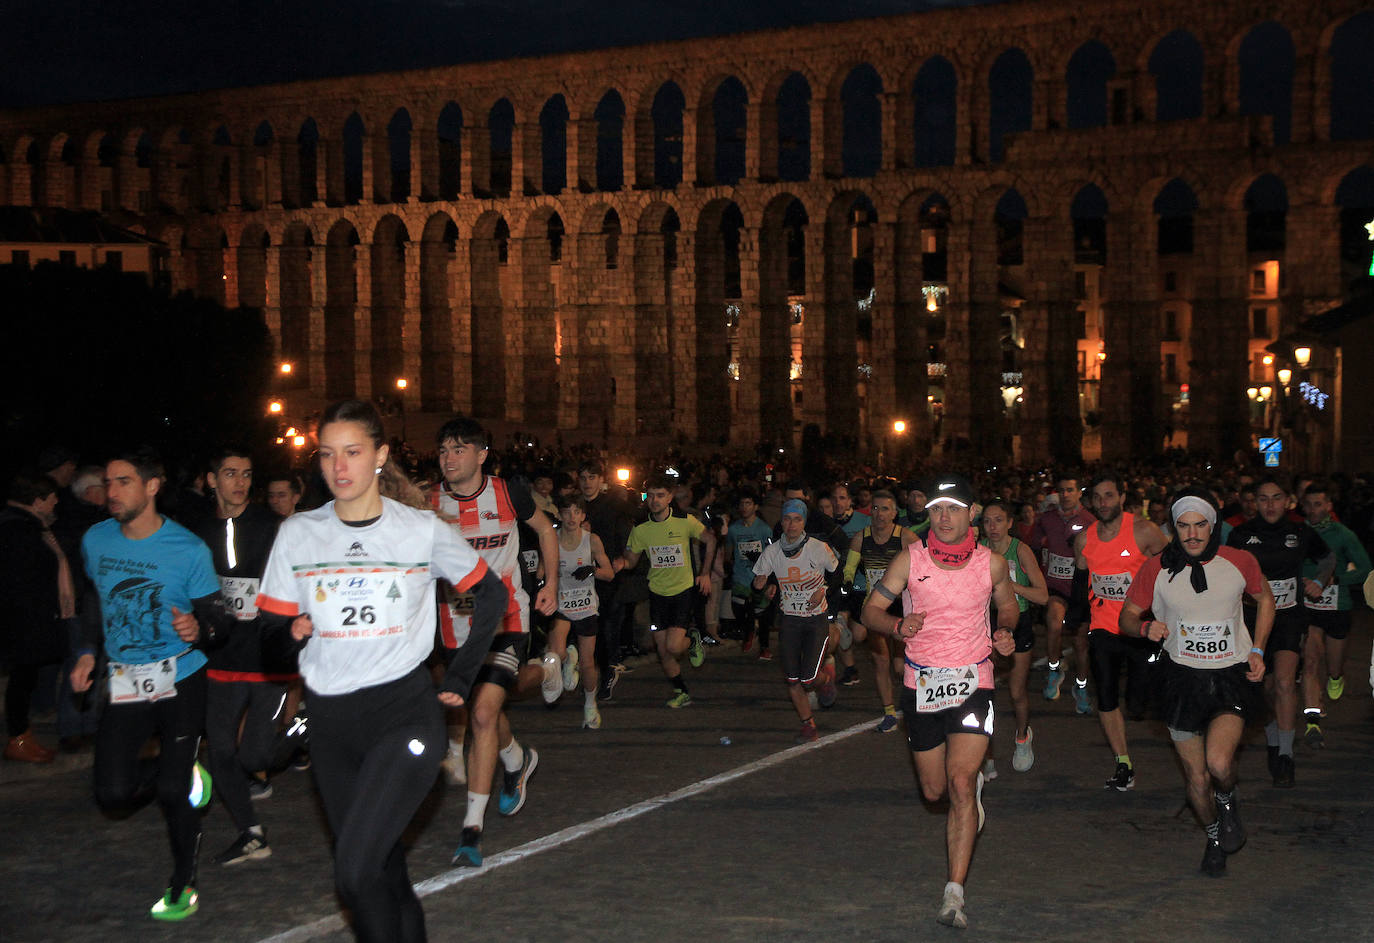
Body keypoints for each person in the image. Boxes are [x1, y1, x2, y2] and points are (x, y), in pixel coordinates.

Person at [256, 400, 506, 941]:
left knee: (353, 870)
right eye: (327, 455)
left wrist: (461, 677)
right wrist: (289, 637)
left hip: (404, 716)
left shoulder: (418, 530)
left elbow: (492, 594)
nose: (339, 467)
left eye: (352, 452)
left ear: (380, 456)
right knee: (384, 872)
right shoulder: (298, 534)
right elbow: (269, 644)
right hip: (332, 726)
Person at [70, 448, 233, 921]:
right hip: (125, 679)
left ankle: (183, 883)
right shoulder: (97, 539)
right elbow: (93, 600)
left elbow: (219, 620)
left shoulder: (187, 550)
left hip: (181, 675)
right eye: (108, 482)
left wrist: (199, 629)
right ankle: (183, 774)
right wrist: (85, 651)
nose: (111, 493)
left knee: (170, 790)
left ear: (152, 486)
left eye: (122, 482)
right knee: (112, 794)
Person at [862, 474, 1017, 929]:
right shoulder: (909, 560)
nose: (944, 517)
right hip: (922, 685)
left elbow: (1006, 606)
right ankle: (966, 794)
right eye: (935, 509)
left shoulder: (991, 564)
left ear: (971, 514)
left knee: (961, 783)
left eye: (952, 508)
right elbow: (871, 610)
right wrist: (895, 627)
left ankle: (954, 894)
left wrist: (1005, 630)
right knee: (935, 792)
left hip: (975, 680)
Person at [1120, 487, 1272, 877]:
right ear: (1174, 528)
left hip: (1230, 675)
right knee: (1196, 777)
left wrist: (1257, 649)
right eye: (1183, 526)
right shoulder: (1156, 567)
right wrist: (1145, 626)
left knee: (1219, 764)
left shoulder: (1239, 561)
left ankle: (1229, 798)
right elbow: (1127, 617)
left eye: (1200, 525)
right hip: (1180, 680)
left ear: (1213, 525)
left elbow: (1266, 599)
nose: (1192, 534)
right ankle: (1214, 835)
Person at [429, 417, 558, 869]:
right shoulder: (430, 503)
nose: (450, 458)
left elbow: (545, 530)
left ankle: (471, 830)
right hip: (454, 627)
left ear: (482, 454)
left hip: (507, 616)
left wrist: (551, 583)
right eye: (444, 450)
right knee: (489, 708)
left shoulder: (508, 493)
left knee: (482, 712)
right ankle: (516, 760)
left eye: (460, 449)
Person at [195, 447, 291, 865]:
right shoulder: (196, 531)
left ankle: (305, 730)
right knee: (219, 750)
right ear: (211, 480)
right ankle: (250, 832)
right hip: (220, 656)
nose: (240, 482)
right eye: (230, 473)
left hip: (266, 654)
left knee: (255, 756)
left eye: (247, 474)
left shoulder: (273, 527)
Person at [1225, 476, 1334, 780]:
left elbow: (1327, 558)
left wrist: (1320, 581)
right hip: (1253, 622)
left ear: (1288, 501)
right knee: (1266, 688)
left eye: (1276, 498)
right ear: (1253, 502)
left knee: (1286, 682)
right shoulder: (1240, 535)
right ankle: (1274, 737)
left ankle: (1285, 755)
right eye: (1263, 498)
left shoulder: (1300, 532)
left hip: (1288, 618)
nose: (1270, 505)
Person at [1074, 474, 1168, 790]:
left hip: (1141, 628)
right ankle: (1123, 762)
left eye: (1109, 496)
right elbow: (1081, 575)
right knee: (1106, 696)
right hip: (1104, 628)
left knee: (1138, 705)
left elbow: (1171, 567)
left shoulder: (1144, 531)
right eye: (1098, 497)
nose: (1103, 503)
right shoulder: (1085, 540)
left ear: (1122, 497)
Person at [621, 473, 715, 708]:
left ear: (670, 497)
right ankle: (681, 692)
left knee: (673, 646)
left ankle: (692, 639)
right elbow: (630, 561)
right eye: (650, 496)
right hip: (657, 594)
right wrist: (615, 562)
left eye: (660, 496)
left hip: (682, 592)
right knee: (663, 651)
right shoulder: (641, 529)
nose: (654, 500)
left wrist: (704, 573)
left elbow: (711, 540)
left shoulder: (685, 521)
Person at [750, 499, 840, 742]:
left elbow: (837, 577)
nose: (791, 524)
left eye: (797, 519)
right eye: (787, 519)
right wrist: (763, 585)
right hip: (789, 620)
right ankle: (808, 724)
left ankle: (825, 680)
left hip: (815, 620)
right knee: (792, 679)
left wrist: (824, 590)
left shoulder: (818, 548)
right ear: (781, 521)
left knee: (808, 678)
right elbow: (759, 580)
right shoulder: (772, 551)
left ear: (804, 522)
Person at [0, 470, 71, 762]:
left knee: (24, 679)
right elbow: (22, 581)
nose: (56, 503)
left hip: (23, 621)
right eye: (52, 498)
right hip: (22, 623)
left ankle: (21, 736)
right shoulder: (19, 530)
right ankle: (18, 739)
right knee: (21, 680)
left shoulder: (22, 524)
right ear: (38, 499)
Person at [978, 499, 1047, 771]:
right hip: (986, 623)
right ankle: (987, 756)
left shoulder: (1021, 551)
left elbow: (1042, 595)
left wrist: (1009, 585)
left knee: (1017, 692)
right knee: (984, 693)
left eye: (998, 520)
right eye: (987, 521)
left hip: (1019, 623)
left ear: (1009, 523)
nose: (992, 527)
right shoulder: (978, 550)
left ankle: (1022, 736)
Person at [1299, 480, 1371, 737]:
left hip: (1337, 606)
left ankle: (1336, 676)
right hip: (1309, 606)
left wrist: (1337, 579)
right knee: (1310, 661)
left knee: (1333, 666)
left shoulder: (1344, 535)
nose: (1313, 510)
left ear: (1328, 505)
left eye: (1318, 504)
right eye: (1308, 505)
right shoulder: (1299, 532)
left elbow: (1366, 570)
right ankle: (1313, 718)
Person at [845, 489, 918, 733]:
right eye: (875, 508)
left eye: (885, 509)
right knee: (880, 661)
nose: (879, 514)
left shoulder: (906, 538)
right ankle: (888, 712)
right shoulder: (860, 538)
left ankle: (915, 702)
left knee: (900, 666)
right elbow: (849, 569)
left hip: (901, 608)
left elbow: (924, 572)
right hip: (875, 606)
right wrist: (846, 582)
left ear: (895, 513)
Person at [548, 494, 615, 728]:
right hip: (562, 604)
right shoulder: (551, 539)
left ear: (583, 516)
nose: (571, 517)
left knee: (588, 663)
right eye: (566, 512)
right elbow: (539, 572)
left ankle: (590, 705)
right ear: (559, 514)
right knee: (555, 654)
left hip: (586, 606)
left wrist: (591, 570)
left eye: (577, 512)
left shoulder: (592, 540)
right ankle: (568, 658)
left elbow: (609, 573)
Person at [1030, 475, 1095, 713]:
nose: (1066, 494)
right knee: (1054, 624)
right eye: (1062, 490)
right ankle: (1054, 669)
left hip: (1080, 588)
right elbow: (1033, 547)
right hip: (1055, 585)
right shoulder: (1046, 519)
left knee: (1080, 643)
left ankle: (1081, 686)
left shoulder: (1090, 520)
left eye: (1070, 490)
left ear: (1079, 493)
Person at [725, 488, 774, 657]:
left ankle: (764, 647)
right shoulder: (733, 529)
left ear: (755, 506)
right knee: (738, 607)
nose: (744, 507)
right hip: (740, 576)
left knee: (762, 613)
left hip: (759, 577)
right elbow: (728, 552)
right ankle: (748, 631)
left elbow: (772, 553)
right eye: (742, 504)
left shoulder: (764, 529)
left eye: (748, 503)